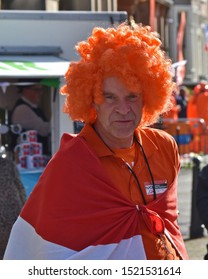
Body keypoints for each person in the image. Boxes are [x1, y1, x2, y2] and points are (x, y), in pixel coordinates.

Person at [3, 22, 188, 260]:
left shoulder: (165, 147)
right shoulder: (70, 163)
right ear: (93, 101)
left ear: (148, 98)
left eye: (132, 97)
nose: (123, 109)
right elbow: (34, 246)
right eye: (110, 97)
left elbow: (170, 224)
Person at [10, 80, 51, 155]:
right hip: (27, 159)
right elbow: (44, 130)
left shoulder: (33, 107)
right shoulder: (22, 109)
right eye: (36, 90)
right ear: (25, 90)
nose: (40, 93)